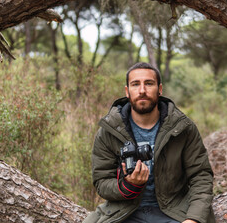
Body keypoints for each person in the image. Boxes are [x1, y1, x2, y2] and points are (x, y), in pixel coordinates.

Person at [83, 62, 215, 223]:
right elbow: (101, 182)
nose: (142, 90)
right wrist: (128, 186)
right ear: (127, 91)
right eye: (135, 84)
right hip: (124, 212)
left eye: (149, 83)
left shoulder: (182, 128)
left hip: (174, 211)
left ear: (160, 89)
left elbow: (201, 176)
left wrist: (193, 218)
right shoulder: (108, 131)